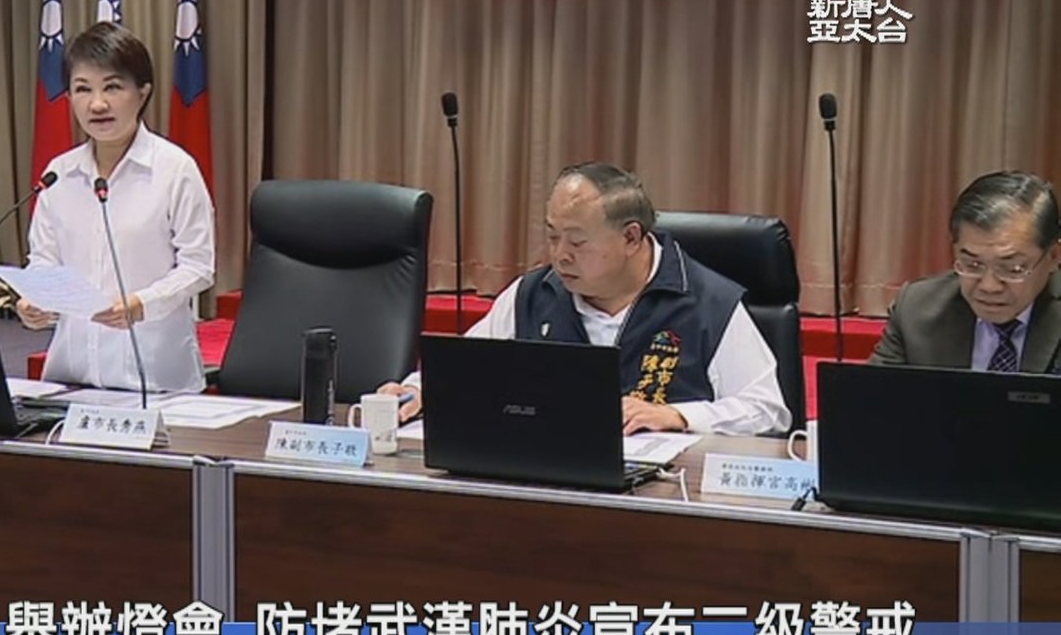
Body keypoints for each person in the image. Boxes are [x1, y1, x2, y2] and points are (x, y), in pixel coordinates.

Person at [377, 162, 791, 436]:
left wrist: (678, 415)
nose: (560, 255)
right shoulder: (533, 293)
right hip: (550, 481)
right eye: (553, 236)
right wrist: (417, 391)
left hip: (665, 499)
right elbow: (466, 368)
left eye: (577, 242)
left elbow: (769, 410)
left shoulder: (707, 302)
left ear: (631, 238)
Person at [17, 21, 215, 394]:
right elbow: (44, 259)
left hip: (155, 380)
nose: (97, 104)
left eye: (112, 87)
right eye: (82, 89)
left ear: (142, 93)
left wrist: (141, 304)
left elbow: (198, 267)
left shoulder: (174, 169)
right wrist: (35, 300)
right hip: (71, 377)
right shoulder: (59, 174)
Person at [870, 171, 1061, 372]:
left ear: (1054, 256)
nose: (989, 286)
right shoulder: (916, 310)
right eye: (972, 265)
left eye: (1012, 268)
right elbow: (876, 390)